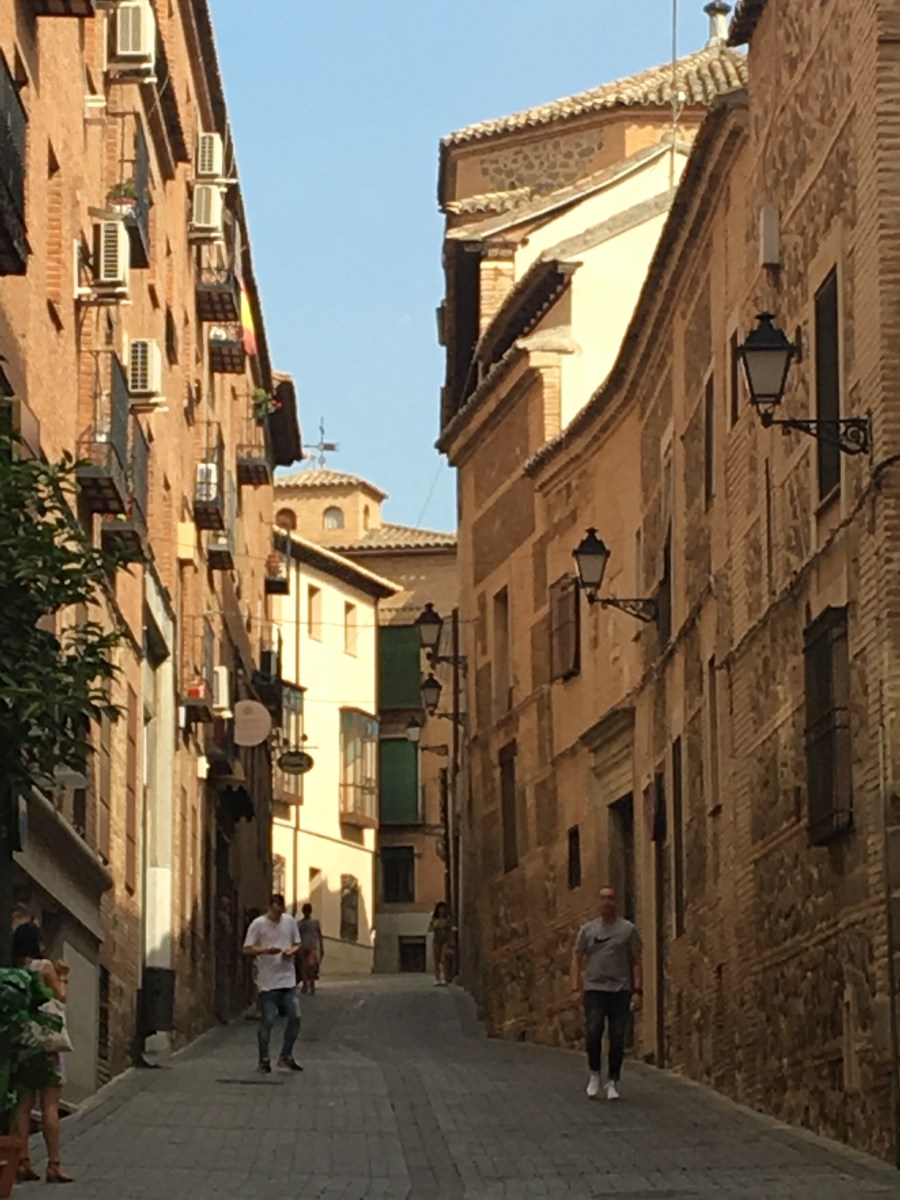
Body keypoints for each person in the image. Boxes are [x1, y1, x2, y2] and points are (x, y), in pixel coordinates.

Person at [12, 921, 72, 1184]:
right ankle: (53, 1164)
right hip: (46, 1043)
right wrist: (63, 975)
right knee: (50, 1104)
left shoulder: (15, 971)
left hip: (23, 1043)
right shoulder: (44, 967)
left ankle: (22, 1161)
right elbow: (60, 997)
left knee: (23, 1106)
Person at [572, 886, 643, 1101]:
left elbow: (636, 961)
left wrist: (637, 990)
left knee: (617, 1036)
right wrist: (575, 987)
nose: (607, 902)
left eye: (610, 898)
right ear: (598, 902)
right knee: (594, 1031)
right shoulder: (588, 930)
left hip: (620, 989)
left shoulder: (628, 930)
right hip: (594, 989)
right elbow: (577, 957)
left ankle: (612, 1080)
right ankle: (594, 1073)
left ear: (616, 902)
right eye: (603, 898)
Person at [242, 894, 303, 1074]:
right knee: (268, 1020)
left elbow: (297, 943)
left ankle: (285, 1055)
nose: (278, 917)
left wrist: (291, 951)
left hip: (288, 979)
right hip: (267, 982)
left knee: (295, 1017)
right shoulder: (258, 924)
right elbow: (246, 948)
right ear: (270, 907)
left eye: (280, 913)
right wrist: (266, 950)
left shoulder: (289, 922)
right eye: (275, 912)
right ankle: (264, 1059)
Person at [295, 903, 324, 995]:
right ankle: (310, 985)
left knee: (305, 967)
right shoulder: (314, 922)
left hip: (305, 947)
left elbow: (297, 937)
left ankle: (307, 985)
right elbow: (320, 936)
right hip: (310, 946)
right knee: (309, 967)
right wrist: (321, 947)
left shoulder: (300, 924)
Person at [428, 901, 453, 986]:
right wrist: (433, 925)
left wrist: (450, 940)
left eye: (443, 908)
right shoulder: (434, 919)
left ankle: (445, 977)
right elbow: (430, 929)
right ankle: (437, 978)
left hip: (445, 940)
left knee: (444, 958)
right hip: (436, 940)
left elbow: (450, 929)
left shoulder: (447, 919)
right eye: (440, 908)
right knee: (436, 959)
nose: (441, 910)